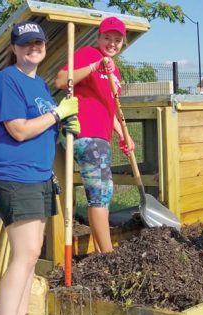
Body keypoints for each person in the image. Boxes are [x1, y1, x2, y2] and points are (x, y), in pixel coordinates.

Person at [0, 21, 79, 315]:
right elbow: (19, 130)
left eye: (37, 42)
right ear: (14, 48)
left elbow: (41, 127)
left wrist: (63, 124)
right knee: (23, 256)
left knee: (31, 254)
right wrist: (57, 112)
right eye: (26, 44)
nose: (33, 48)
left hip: (39, 177)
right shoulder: (6, 80)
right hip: (15, 177)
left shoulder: (39, 84)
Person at [56, 16, 134, 254]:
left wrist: (123, 134)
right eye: (107, 38)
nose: (112, 43)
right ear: (99, 37)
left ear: (123, 42)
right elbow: (60, 81)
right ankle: (109, 257)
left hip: (100, 137)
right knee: (100, 195)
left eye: (117, 39)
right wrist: (93, 67)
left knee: (103, 193)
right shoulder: (88, 55)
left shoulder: (114, 69)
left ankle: (102, 253)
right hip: (85, 134)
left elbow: (107, 107)